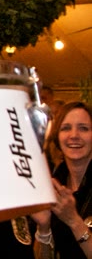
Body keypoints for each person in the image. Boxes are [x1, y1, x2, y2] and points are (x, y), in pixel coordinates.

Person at [32, 102, 92, 259]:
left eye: (83, 128)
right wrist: (43, 228)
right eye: (66, 128)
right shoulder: (54, 185)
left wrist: (74, 221)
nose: (74, 135)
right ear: (57, 136)